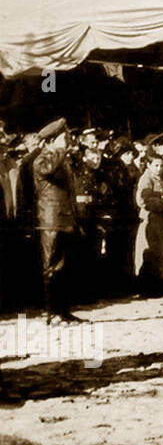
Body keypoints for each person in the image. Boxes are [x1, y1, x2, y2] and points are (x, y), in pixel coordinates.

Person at [32, 118, 84, 323]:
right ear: (51, 140)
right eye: (64, 136)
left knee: (65, 268)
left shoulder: (62, 160)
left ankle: (63, 311)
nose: (68, 139)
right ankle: (51, 312)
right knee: (52, 268)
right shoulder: (42, 159)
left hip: (65, 219)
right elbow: (46, 170)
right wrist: (60, 150)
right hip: (50, 220)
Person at [133, 144, 163, 298]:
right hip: (151, 219)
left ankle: (161, 284)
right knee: (152, 253)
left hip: (162, 220)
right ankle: (149, 287)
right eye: (156, 165)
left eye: (161, 166)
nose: (159, 168)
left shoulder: (160, 180)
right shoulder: (146, 179)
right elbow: (143, 200)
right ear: (149, 165)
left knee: (162, 254)